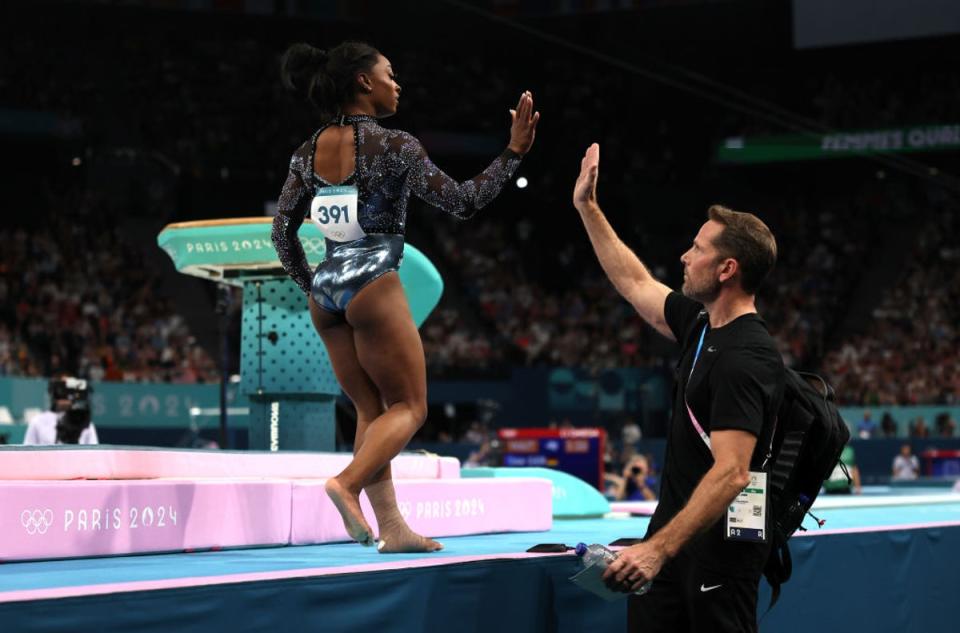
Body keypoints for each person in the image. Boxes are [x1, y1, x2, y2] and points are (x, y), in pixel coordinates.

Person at [271, 41, 538, 552]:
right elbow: (464, 201)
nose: (399, 83)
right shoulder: (394, 146)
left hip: (327, 291)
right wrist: (514, 153)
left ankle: (391, 529)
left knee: (372, 412)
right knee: (410, 407)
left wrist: (316, 286)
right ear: (364, 83)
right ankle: (346, 483)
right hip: (373, 280)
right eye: (390, 74)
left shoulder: (306, 152)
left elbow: (282, 233)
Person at [572, 144, 784, 632]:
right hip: (669, 545)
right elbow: (634, 281)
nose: (685, 257)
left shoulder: (746, 355)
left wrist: (656, 551)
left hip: (718, 556)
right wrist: (588, 208)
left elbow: (733, 473)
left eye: (699, 249)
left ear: (727, 269)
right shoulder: (703, 324)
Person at [23, 377, 99, 446]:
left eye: (69, 389)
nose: (66, 394)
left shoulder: (84, 422)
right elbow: (27, 452)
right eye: (62, 389)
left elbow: (95, 453)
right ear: (53, 392)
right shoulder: (38, 421)